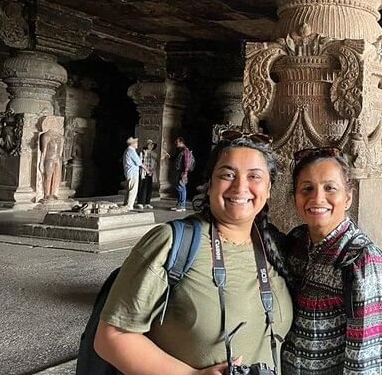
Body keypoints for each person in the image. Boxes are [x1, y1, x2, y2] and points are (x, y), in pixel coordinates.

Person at [94, 131, 293, 374]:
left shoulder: (274, 246)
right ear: (210, 185)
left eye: (254, 176)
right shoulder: (172, 242)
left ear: (269, 188)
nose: (240, 186)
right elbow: (111, 337)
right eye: (228, 175)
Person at [282, 147, 382, 374]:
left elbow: (370, 362)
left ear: (348, 197)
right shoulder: (296, 243)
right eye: (307, 188)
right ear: (295, 197)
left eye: (330, 188)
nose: (317, 197)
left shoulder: (363, 261)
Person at [135, 139, 159, 210]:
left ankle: (147, 203)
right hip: (143, 172)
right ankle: (140, 202)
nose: (151, 146)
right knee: (142, 187)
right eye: (149, 144)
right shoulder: (142, 153)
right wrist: (146, 170)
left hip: (150, 173)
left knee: (149, 188)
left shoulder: (154, 154)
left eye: (152, 145)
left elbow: (155, 163)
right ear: (147, 145)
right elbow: (140, 162)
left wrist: (152, 170)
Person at [172, 136, 193, 212]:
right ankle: (179, 204)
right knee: (178, 187)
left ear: (181, 142)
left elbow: (187, 162)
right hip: (178, 171)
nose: (176, 143)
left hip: (182, 172)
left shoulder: (185, 150)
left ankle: (182, 205)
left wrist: (185, 173)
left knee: (181, 187)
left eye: (177, 142)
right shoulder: (180, 150)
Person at [122, 137, 142, 211]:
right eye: (136, 143)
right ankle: (129, 205)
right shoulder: (131, 151)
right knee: (133, 190)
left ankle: (126, 204)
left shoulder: (127, 150)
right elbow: (138, 162)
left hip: (129, 173)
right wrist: (146, 169)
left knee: (129, 189)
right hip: (133, 173)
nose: (137, 144)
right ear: (132, 144)